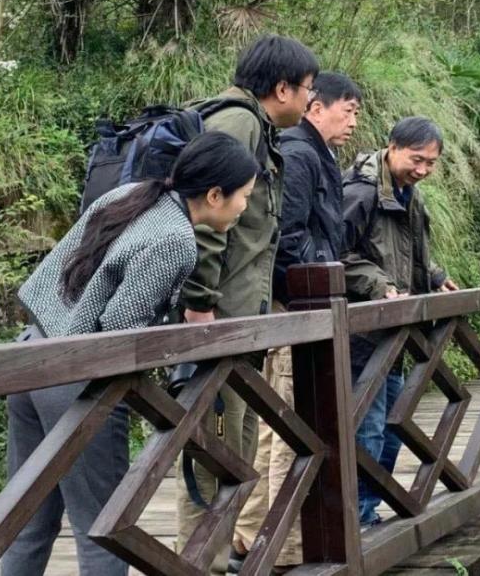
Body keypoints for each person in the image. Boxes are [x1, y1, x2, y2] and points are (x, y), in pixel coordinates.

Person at [3, 132, 259, 576]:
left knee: (27, 522)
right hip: (77, 381)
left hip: (30, 356)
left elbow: (61, 271)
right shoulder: (176, 239)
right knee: (105, 529)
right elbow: (121, 332)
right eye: (244, 196)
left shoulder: (131, 194)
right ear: (215, 195)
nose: (245, 207)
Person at [174, 34, 318, 574]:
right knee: (213, 457)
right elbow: (204, 220)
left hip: (240, 323)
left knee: (235, 452)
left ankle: (214, 561)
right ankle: (201, 566)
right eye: (307, 89)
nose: (310, 100)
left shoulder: (256, 127)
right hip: (220, 322)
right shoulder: (238, 123)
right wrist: (200, 308)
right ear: (282, 88)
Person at [235, 71, 363, 569]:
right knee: (293, 424)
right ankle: (288, 546)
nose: (353, 121)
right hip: (297, 306)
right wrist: (321, 278)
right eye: (348, 110)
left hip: (294, 306)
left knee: (276, 426)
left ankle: (250, 534)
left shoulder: (312, 153)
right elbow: (288, 236)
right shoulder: (301, 154)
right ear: (316, 107)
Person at [341, 116, 459, 528]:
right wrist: (380, 285)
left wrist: (435, 276)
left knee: (394, 426)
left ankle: (369, 509)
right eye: (416, 159)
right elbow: (335, 254)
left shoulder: (409, 193)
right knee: (369, 428)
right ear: (392, 147)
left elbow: (410, 251)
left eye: (431, 163)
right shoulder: (360, 192)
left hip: (395, 336)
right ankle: (357, 518)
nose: (423, 170)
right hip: (363, 335)